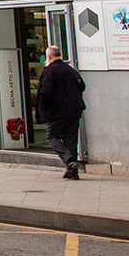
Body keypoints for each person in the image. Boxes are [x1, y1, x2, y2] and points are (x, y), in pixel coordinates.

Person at [36, 45, 86, 179]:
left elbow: (45, 93)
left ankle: (70, 160)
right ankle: (73, 171)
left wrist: (42, 110)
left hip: (56, 112)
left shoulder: (49, 71)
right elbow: (82, 86)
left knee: (52, 137)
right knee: (71, 140)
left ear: (48, 56)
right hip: (74, 111)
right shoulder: (70, 69)